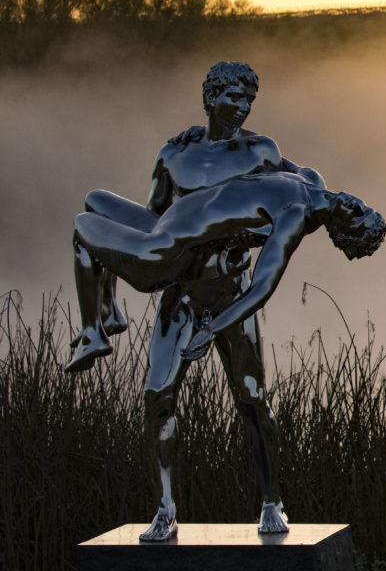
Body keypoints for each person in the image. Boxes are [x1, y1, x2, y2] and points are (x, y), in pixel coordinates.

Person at [65, 61, 327, 541]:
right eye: (233, 96)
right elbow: (153, 221)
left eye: (249, 99)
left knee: (252, 400)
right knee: (157, 398)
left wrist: (246, 234)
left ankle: (272, 502)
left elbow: (305, 190)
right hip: (179, 295)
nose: (243, 107)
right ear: (210, 98)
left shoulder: (261, 151)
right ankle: (165, 509)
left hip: (228, 294)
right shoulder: (173, 155)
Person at [71, 172, 386, 535]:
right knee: (95, 198)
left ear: (342, 231)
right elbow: (246, 151)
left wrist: (213, 328)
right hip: (169, 241)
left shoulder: (295, 215)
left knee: (82, 229)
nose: (357, 205)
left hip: (168, 257)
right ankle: (106, 314)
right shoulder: (309, 178)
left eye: (359, 216)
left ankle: (93, 330)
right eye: (365, 207)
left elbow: (261, 288)